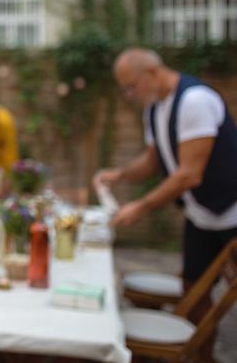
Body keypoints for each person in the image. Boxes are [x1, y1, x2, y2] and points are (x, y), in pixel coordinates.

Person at [95, 47, 237, 322]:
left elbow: (189, 174)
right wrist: (120, 175)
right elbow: (153, 161)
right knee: (193, 291)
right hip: (201, 217)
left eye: (131, 87)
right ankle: (199, 355)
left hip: (231, 211)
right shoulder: (155, 108)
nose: (129, 96)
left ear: (151, 72)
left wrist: (141, 206)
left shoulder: (194, 100)